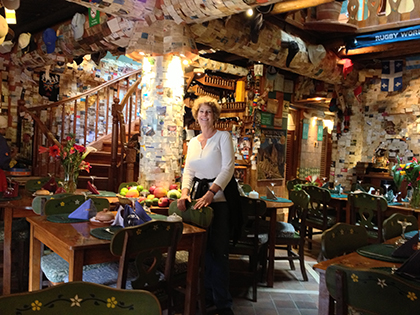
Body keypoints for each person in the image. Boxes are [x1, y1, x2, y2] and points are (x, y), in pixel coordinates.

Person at [177, 96, 235, 315]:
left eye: (208, 112)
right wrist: (184, 193)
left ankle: (223, 303)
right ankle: (208, 294)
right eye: (201, 111)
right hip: (197, 200)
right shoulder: (192, 141)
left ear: (215, 116)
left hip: (218, 200)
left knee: (218, 252)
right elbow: (188, 171)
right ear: (196, 115)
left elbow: (228, 169)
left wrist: (212, 192)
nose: (204, 115)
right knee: (202, 250)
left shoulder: (223, 137)